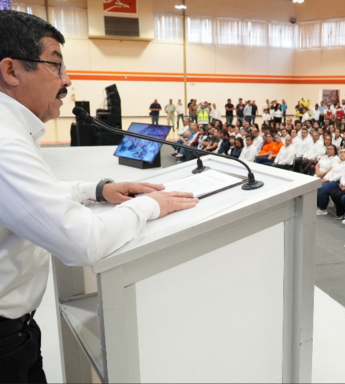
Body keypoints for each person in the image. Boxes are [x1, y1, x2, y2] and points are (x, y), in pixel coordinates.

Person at [0, 11, 199, 382]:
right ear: (11, 71)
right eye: (55, 66)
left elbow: (25, 197)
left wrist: (95, 190)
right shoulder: (5, 142)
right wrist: (149, 207)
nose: (67, 80)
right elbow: (82, 242)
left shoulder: (11, 130)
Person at [316, 148, 345, 215]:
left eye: (344, 152)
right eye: (341, 152)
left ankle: (323, 209)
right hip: (331, 180)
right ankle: (318, 205)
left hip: (338, 182)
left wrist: (329, 179)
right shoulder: (338, 162)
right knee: (318, 184)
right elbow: (331, 172)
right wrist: (325, 178)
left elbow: (341, 175)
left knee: (323, 188)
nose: (342, 154)